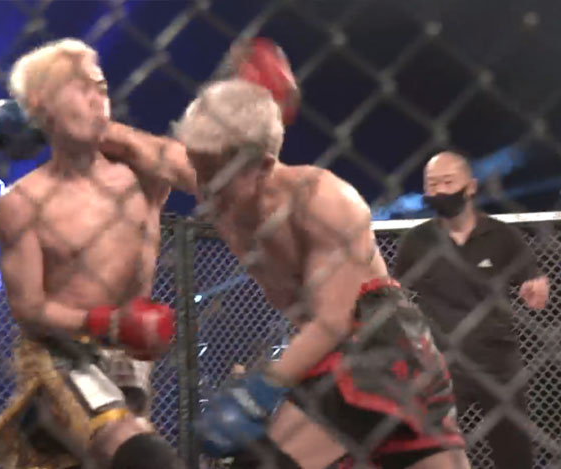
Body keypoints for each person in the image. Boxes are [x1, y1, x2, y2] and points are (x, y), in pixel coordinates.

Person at [109, 77, 471, 468]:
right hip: (332, 353)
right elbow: (137, 146)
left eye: (218, 177)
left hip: (373, 344)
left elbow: (334, 321)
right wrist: (62, 115)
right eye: (199, 171)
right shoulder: (214, 170)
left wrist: (258, 390)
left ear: (262, 166)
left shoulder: (322, 200)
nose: (205, 190)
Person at [0, 38, 184, 469]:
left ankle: (43, 440)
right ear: (41, 104)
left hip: (130, 359)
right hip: (63, 354)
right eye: (79, 88)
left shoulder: (141, 174)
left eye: (101, 88)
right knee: (147, 457)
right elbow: (28, 308)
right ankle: (44, 418)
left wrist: (116, 134)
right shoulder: (23, 202)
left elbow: (203, 175)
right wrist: (106, 321)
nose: (96, 99)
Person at [393, 151, 549, 469]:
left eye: (448, 182)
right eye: (432, 184)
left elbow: (534, 282)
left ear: (471, 187)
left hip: (498, 362)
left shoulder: (502, 235)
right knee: (429, 453)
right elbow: (393, 291)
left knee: (515, 455)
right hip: (441, 364)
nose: (439, 191)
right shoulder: (417, 240)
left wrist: (536, 288)